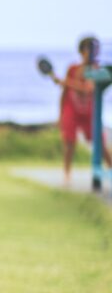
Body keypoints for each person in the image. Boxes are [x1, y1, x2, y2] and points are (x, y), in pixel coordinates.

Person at [51, 36, 110, 186]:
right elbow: (64, 93)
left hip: (90, 111)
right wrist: (60, 114)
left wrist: (65, 82)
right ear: (82, 51)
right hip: (72, 109)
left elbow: (87, 89)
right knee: (69, 143)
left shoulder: (97, 69)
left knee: (100, 144)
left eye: (95, 49)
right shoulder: (73, 69)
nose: (92, 53)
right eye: (89, 49)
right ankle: (66, 175)